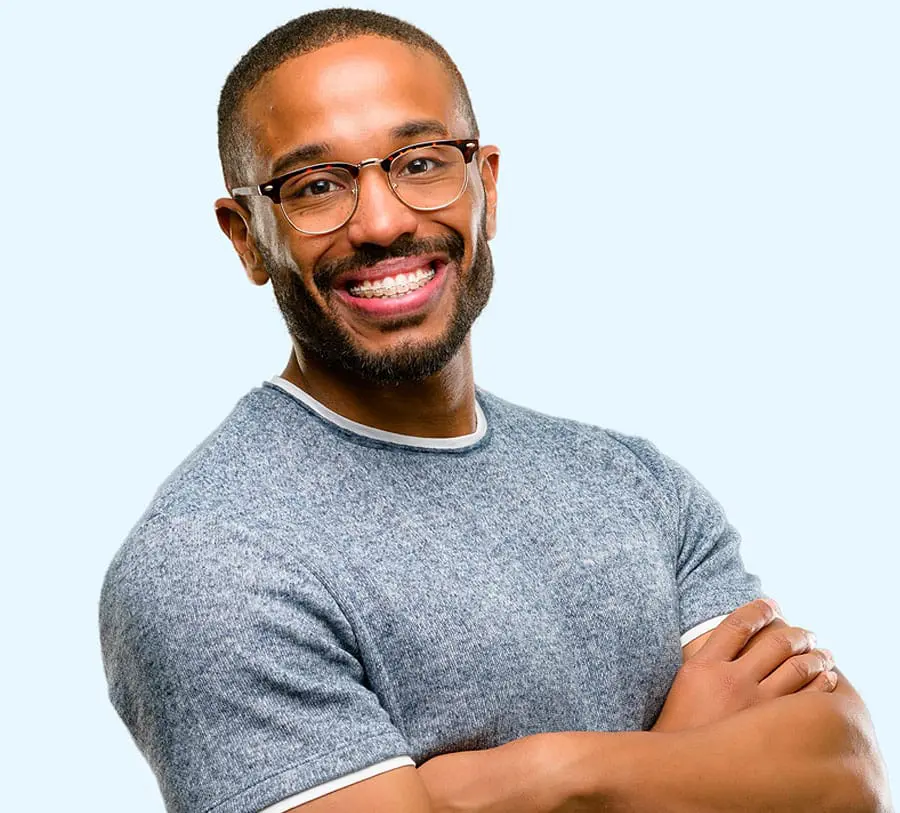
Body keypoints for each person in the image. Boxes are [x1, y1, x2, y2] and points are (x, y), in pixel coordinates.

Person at [98, 8, 891, 813]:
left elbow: (847, 775)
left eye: (422, 163)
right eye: (317, 186)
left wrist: (552, 775)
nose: (382, 221)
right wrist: (686, 751)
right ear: (246, 238)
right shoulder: (214, 559)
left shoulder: (634, 483)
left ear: (488, 186)